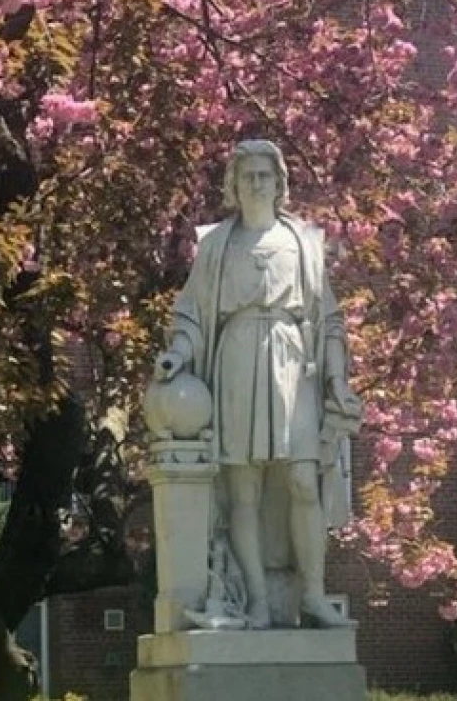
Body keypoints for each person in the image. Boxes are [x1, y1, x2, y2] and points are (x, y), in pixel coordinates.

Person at [154, 139, 361, 629]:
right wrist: (177, 355)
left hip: (293, 360)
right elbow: (191, 313)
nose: (256, 183)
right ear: (233, 184)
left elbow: (329, 319)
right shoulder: (216, 244)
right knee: (242, 490)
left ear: (279, 181)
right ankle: (258, 602)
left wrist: (337, 380)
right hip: (237, 358)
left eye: (264, 175)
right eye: (247, 175)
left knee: (303, 481)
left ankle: (312, 594)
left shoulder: (304, 241)